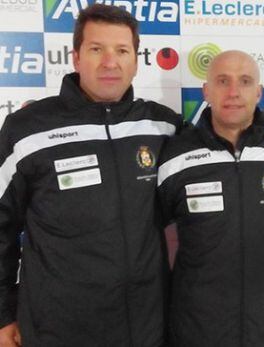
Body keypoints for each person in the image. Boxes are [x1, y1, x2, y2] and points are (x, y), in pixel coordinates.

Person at [0, 4, 181, 346]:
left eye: (122, 50)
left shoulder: (163, 126)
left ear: (136, 60)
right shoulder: (27, 130)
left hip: (146, 326)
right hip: (59, 327)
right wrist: (3, 314)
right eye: (97, 49)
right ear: (76, 57)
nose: (110, 62)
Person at [157, 50, 264, 347]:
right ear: (206, 91)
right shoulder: (175, 156)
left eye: (245, 81)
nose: (234, 92)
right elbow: (147, 231)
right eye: (223, 81)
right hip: (196, 330)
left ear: (259, 92)